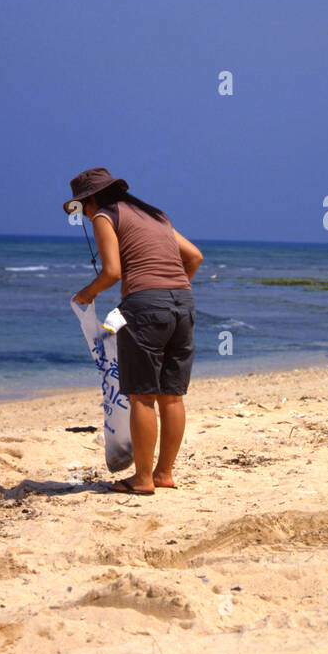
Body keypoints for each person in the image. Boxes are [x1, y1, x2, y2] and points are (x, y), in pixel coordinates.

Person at [66, 168, 203, 495]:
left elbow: (112, 272)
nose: (84, 215)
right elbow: (194, 257)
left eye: (82, 206)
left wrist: (87, 293)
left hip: (145, 307)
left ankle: (142, 479)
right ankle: (164, 473)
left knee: (142, 396)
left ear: (91, 198)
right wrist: (170, 289)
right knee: (172, 396)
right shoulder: (156, 216)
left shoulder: (104, 215)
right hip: (183, 303)